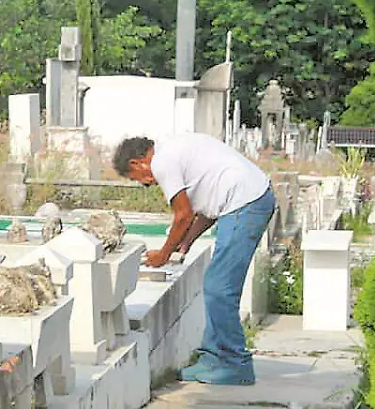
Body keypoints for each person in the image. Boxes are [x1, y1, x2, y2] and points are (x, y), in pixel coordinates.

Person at [113, 132, 275, 386]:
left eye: (142, 181)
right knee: (215, 284)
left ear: (137, 163)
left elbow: (183, 215)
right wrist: (186, 241)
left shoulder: (161, 161)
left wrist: (163, 253)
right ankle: (214, 357)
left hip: (246, 204)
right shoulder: (175, 148)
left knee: (220, 289)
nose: (150, 183)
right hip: (247, 199)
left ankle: (236, 363)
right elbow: (209, 207)